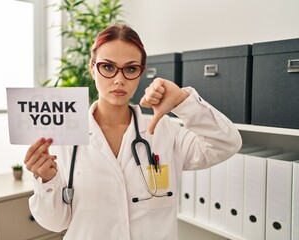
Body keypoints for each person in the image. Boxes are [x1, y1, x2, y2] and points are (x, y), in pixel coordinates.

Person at [24, 24, 242, 240]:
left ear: (140, 73)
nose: (119, 80)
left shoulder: (164, 131)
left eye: (130, 69)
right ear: (92, 68)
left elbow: (227, 142)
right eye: (108, 67)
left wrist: (182, 102)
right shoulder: (66, 137)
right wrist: (47, 180)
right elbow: (55, 222)